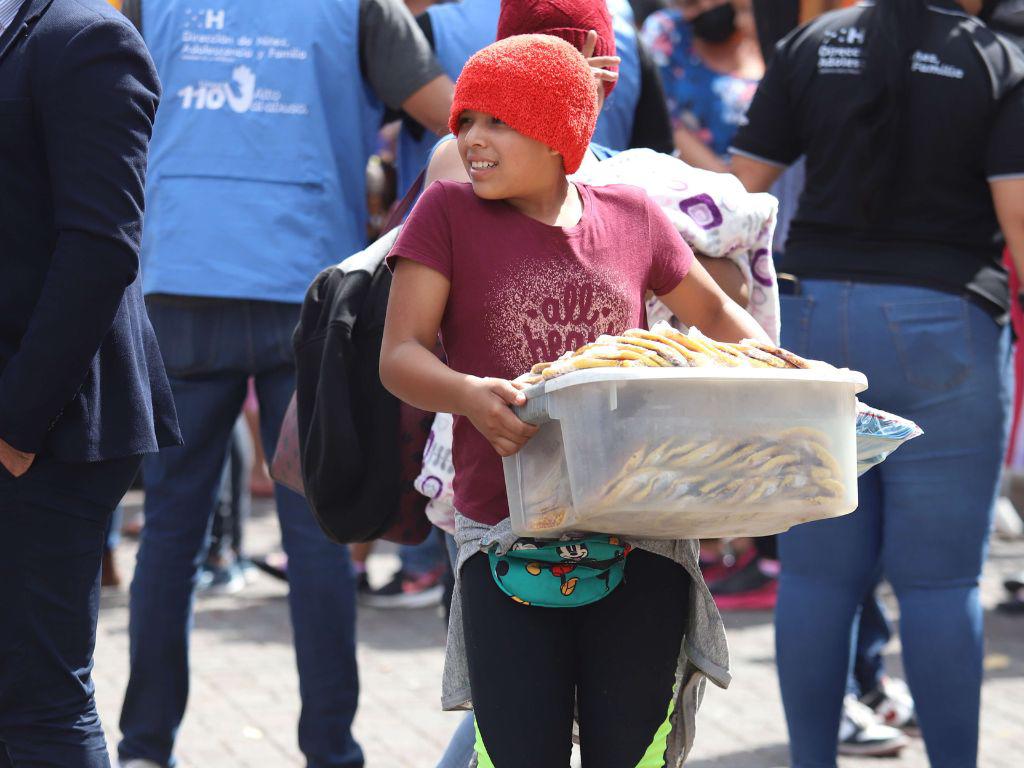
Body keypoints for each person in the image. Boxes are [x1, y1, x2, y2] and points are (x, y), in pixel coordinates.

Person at [380, 34, 769, 767]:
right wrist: (466, 395)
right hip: (503, 535)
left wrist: (776, 376)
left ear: (561, 130)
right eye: (465, 121)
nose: (471, 140)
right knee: (520, 749)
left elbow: (719, 316)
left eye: (498, 121)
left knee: (632, 750)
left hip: (641, 535)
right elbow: (399, 356)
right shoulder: (447, 214)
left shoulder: (632, 217)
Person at [114, 1, 454, 767]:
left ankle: (143, 748)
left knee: (169, 532)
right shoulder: (358, 5)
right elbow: (454, 113)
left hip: (180, 276)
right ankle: (330, 749)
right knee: (317, 535)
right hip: (308, 290)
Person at [729, 0, 1024, 765]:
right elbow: (1019, 223)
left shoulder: (812, 42)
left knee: (817, 578)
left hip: (813, 321)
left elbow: (736, 197)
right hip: (945, 323)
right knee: (939, 582)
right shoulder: (996, 55)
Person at [0, 0, 181, 763]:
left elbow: (102, 248)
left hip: (52, 425)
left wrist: (16, 426)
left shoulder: (85, 36)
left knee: (38, 700)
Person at [641, 0, 764, 171]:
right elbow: (665, 119)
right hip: (700, 183)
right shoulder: (668, 31)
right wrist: (731, 186)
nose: (706, 7)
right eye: (691, 4)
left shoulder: (764, 26)